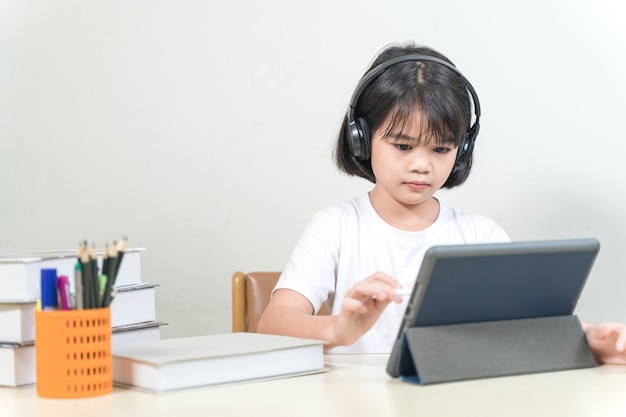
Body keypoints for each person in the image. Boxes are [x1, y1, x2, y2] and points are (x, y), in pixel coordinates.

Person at [256, 42, 626, 364]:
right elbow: (272, 325)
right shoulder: (336, 227)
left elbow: (525, 326)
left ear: (461, 151)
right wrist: (340, 328)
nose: (422, 164)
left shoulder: (480, 235)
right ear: (361, 139)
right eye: (402, 145)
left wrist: (592, 337)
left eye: (441, 148)